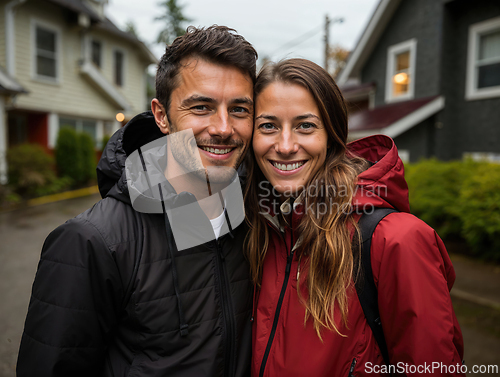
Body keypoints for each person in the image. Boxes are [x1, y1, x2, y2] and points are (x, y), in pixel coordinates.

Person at [17, 25, 257, 377]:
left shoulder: (257, 220)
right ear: (161, 115)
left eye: (239, 109)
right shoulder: (91, 241)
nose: (223, 127)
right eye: (201, 107)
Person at [245, 58, 465, 377]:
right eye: (268, 126)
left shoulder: (397, 240)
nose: (285, 145)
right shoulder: (263, 228)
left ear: (333, 135)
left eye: (305, 125)